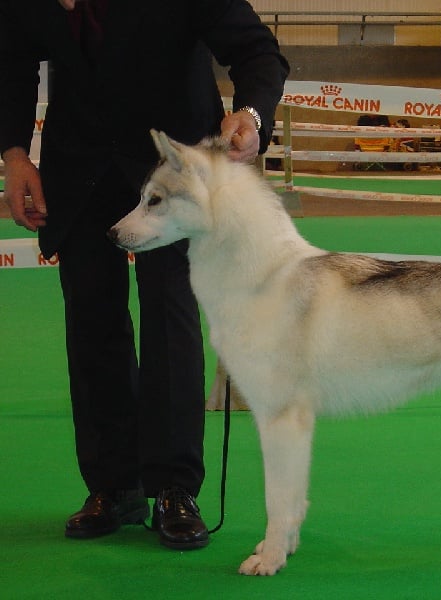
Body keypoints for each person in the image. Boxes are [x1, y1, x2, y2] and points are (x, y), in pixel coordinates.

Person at [0, 0, 289, 550]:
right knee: (91, 319)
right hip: (80, 165)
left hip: (174, 170)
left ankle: (175, 487)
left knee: (169, 314)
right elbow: (11, 62)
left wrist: (251, 117)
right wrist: (14, 156)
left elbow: (257, 51)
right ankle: (113, 486)